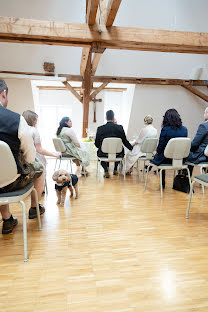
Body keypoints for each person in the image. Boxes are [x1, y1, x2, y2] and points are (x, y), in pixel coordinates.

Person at [0, 79, 45, 234]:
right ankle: (34, 208)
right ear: (3, 93)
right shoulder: (16, 119)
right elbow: (30, 154)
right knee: (39, 169)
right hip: (11, 180)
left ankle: (7, 220)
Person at [22, 110, 61, 190]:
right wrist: (53, 154)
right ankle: (39, 192)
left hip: (23, 158)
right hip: (34, 158)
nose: (36, 122)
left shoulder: (20, 130)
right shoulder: (34, 130)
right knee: (41, 172)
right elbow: (39, 149)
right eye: (35, 119)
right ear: (31, 119)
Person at [151, 109, 188, 187]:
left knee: (158, 156)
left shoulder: (165, 129)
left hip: (166, 159)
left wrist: (156, 152)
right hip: (179, 160)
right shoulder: (185, 130)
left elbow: (160, 146)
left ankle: (163, 183)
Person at [95, 110, 136, 178]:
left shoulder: (100, 129)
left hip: (103, 154)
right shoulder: (120, 128)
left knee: (99, 153)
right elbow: (125, 141)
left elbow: (96, 144)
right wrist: (131, 148)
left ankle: (106, 170)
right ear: (113, 117)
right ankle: (115, 169)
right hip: (118, 154)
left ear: (106, 118)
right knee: (120, 152)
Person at [186, 107, 208, 175]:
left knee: (185, 154)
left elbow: (195, 143)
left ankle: (186, 179)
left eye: (204, 113)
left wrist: (187, 149)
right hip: (206, 155)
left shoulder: (204, 126)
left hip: (202, 155)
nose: (203, 114)